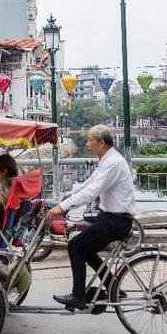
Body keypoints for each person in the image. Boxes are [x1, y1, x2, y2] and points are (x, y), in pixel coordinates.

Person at [46, 125, 136, 310]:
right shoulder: (107, 159)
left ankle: (78, 296)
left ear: (101, 142)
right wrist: (70, 195)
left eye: (89, 140)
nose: (87, 143)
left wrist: (61, 207)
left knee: (76, 246)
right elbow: (90, 182)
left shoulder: (112, 163)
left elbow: (92, 192)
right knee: (85, 248)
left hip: (116, 221)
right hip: (109, 217)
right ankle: (113, 287)